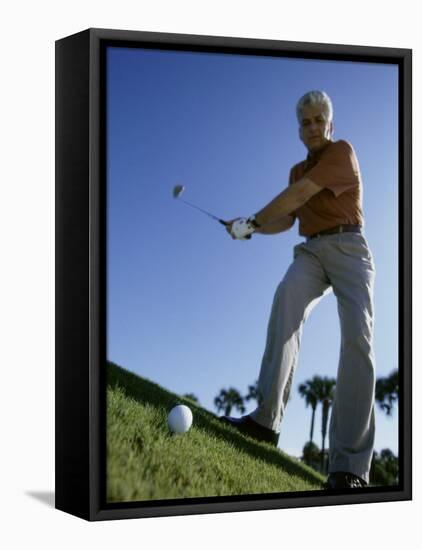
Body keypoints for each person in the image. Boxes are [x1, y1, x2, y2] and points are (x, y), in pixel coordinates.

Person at [221, 90, 376, 490]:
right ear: (299, 128)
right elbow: (286, 220)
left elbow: (301, 195)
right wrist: (251, 228)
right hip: (310, 251)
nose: (311, 127)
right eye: (304, 122)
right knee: (286, 299)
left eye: (318, 119)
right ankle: (264, 422)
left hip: (349, 248)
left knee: (357, 338)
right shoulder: (295, 170)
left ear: (330, 124)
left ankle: (350, 467)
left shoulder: (341, 152)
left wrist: (253, 220)